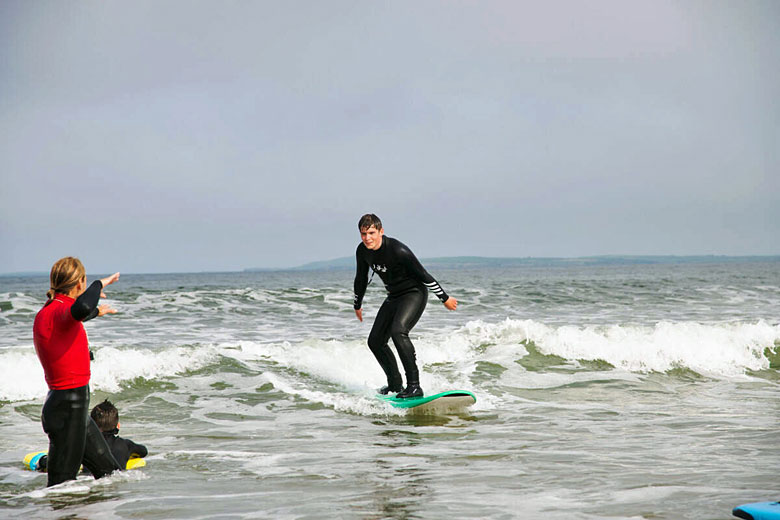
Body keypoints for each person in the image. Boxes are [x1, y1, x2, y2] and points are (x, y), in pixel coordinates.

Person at [33, 257, 123, 486]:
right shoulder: (61, 310)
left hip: (72, 409)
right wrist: (99, 284)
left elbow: (75, 315)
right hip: (68, 407)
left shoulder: (51, 311)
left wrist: (97, 313)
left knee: (110, 473)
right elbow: (81, 308)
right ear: (80, 282)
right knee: (62, 487)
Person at [353, 214, 458, 398]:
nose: (367, 238)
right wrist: (357, 304)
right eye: (363, 234)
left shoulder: (397, 250)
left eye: (371, 233)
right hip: (394, 296)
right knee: (375, 341)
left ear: (380, 231)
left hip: (413, 293)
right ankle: (394, 385)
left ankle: (415, 387)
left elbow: (424, 275)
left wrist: (444, 298)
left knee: (398, 331)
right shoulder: (362, 251)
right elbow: (361, 278)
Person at [90, 399, 148, 469]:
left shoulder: (85, 445)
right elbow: (144, 451)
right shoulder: (125, 445)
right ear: (118, 425)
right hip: (116, 476)